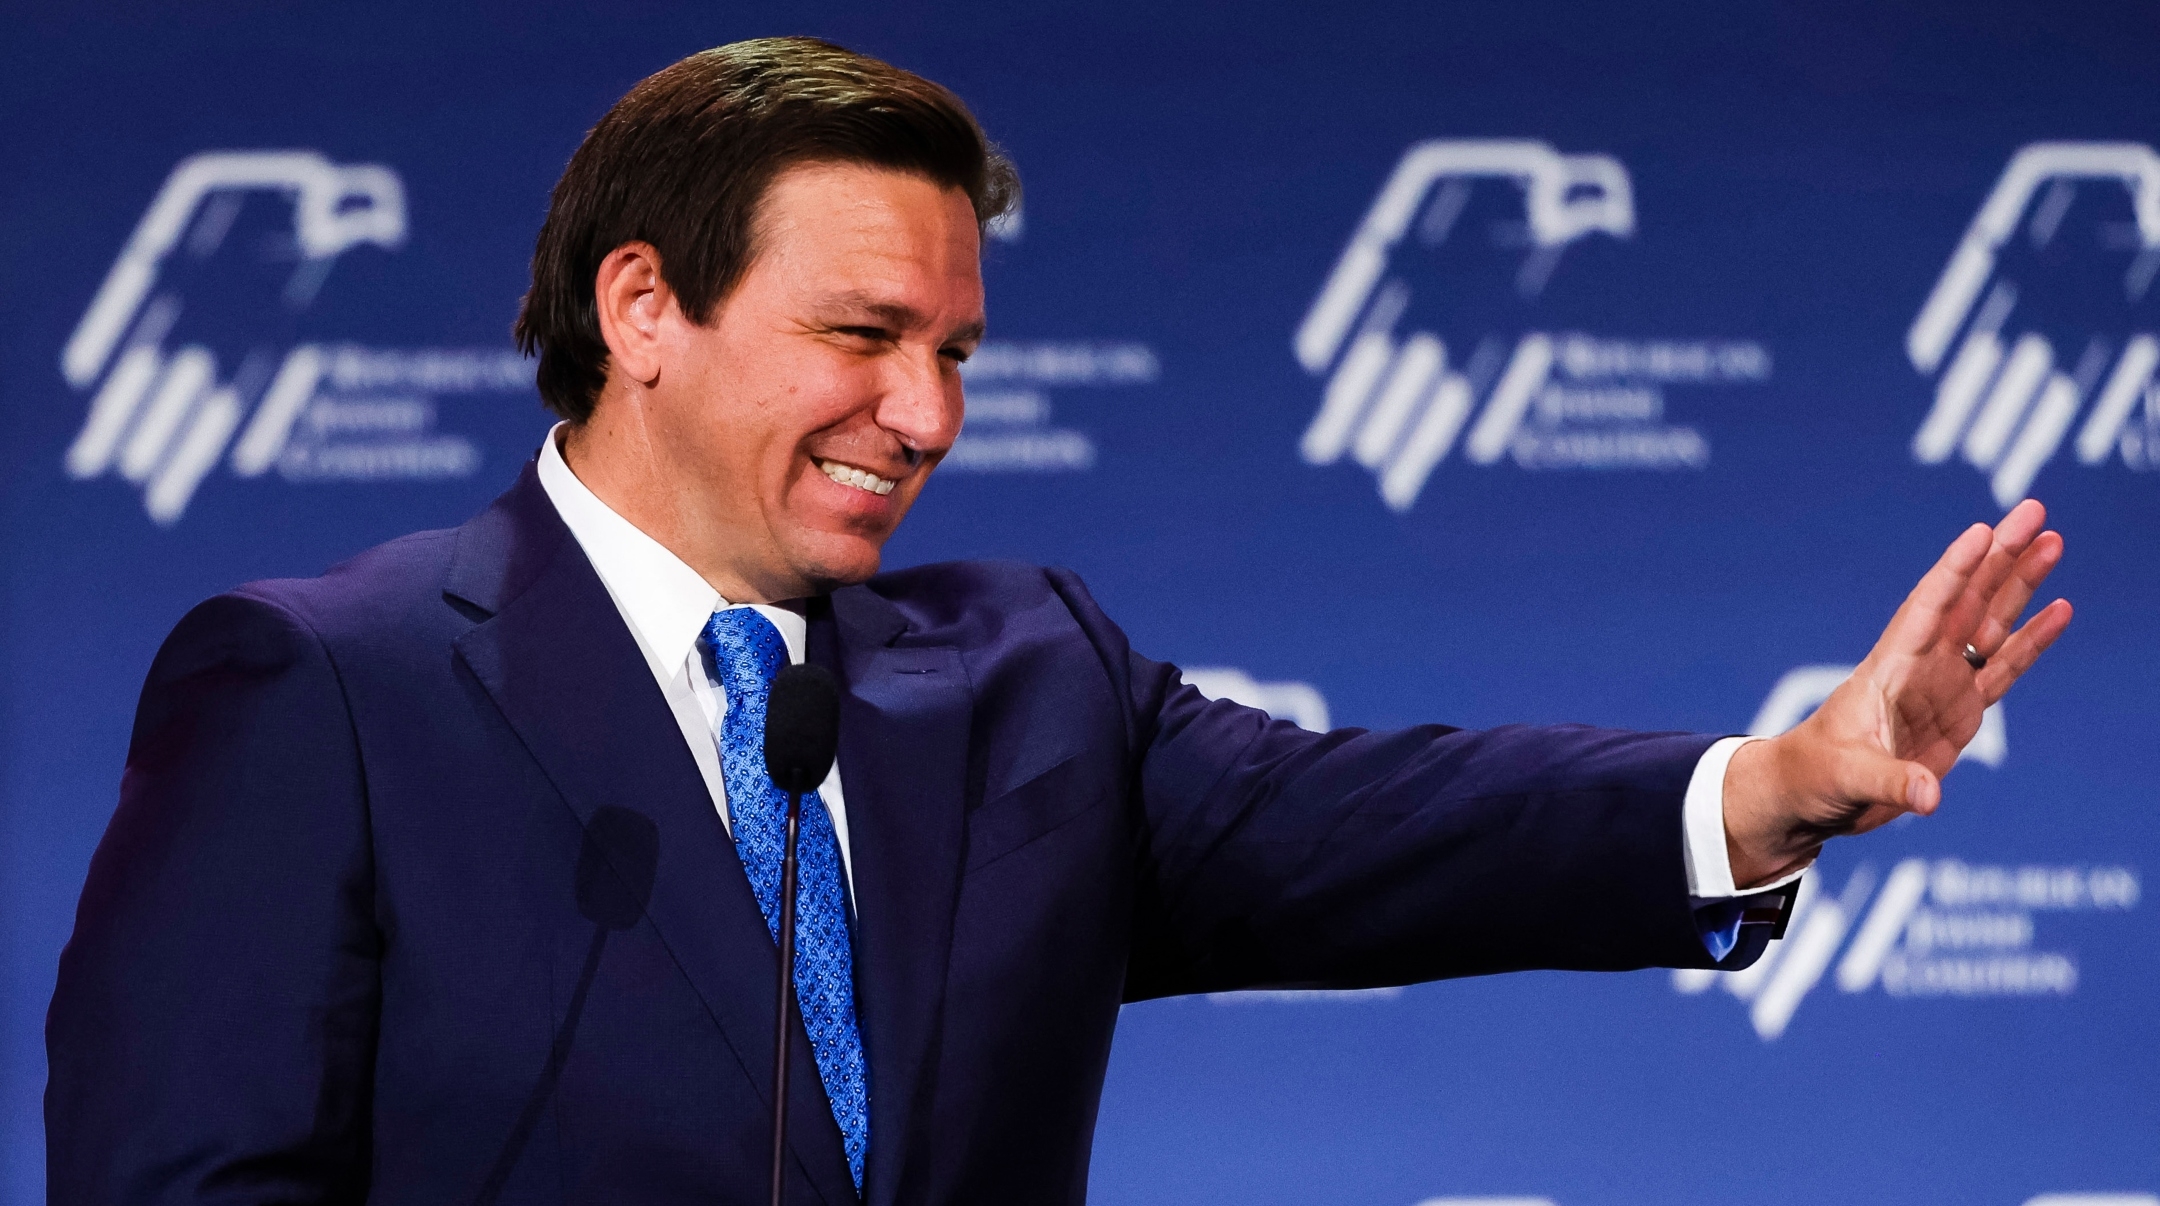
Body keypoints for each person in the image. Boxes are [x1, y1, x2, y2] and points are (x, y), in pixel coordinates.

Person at [45, 36, 2071, 1206]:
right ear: (643, 309)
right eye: (862, 335)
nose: (924, 416)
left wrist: (1784, 782)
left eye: (952, 350)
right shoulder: (329, 685)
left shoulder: (1018, 678)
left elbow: (1385, 829)